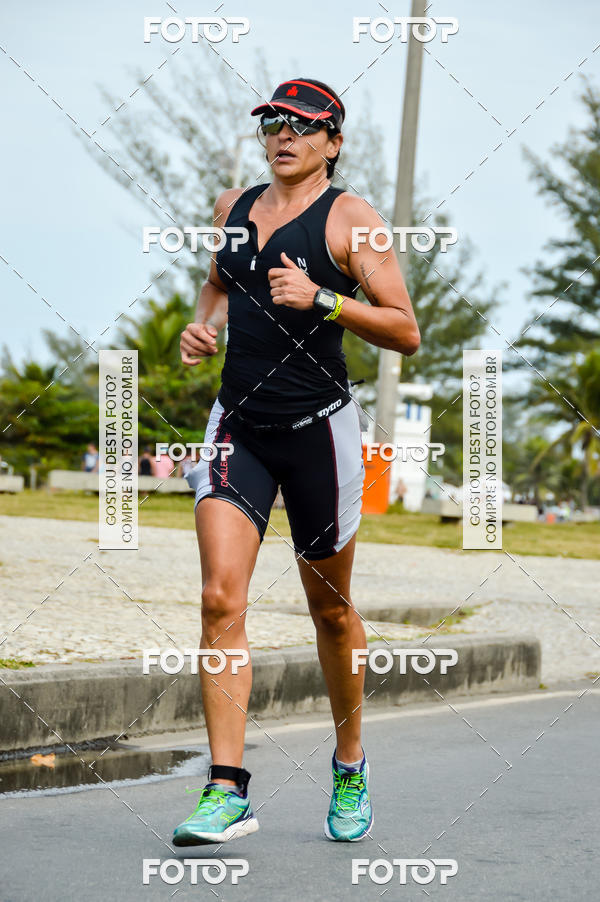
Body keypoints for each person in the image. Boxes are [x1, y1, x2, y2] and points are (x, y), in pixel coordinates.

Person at [173, 77, 420, 846]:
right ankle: (226, 790)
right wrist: (201, 327)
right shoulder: (233, 209)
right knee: (220, 599)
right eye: (273, 123)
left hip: (319, 432)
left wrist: (323, 300)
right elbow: (217, 285)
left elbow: (406, 331)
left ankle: (350, 763)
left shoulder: (355, 221)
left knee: (331, 612)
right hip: (237, 425)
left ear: (332, 142)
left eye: (303, 126)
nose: (284, 135)